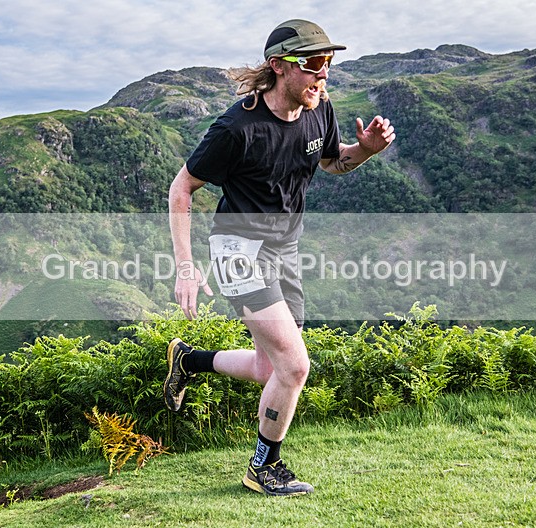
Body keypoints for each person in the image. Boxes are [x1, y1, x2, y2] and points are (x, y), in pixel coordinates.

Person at [165, 19, 395, 496]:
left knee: (268, 370)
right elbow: (182, 188)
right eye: (313, 63)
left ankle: (188, 361)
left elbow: (332, 161)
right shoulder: (237, 128)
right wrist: (185, 266)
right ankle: (264, 467)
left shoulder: (319, 108)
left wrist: (365, 151)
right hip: (238, 250)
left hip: (285, 249)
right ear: (278, 66)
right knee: (295, 366)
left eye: (328, 63)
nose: (323, 73)